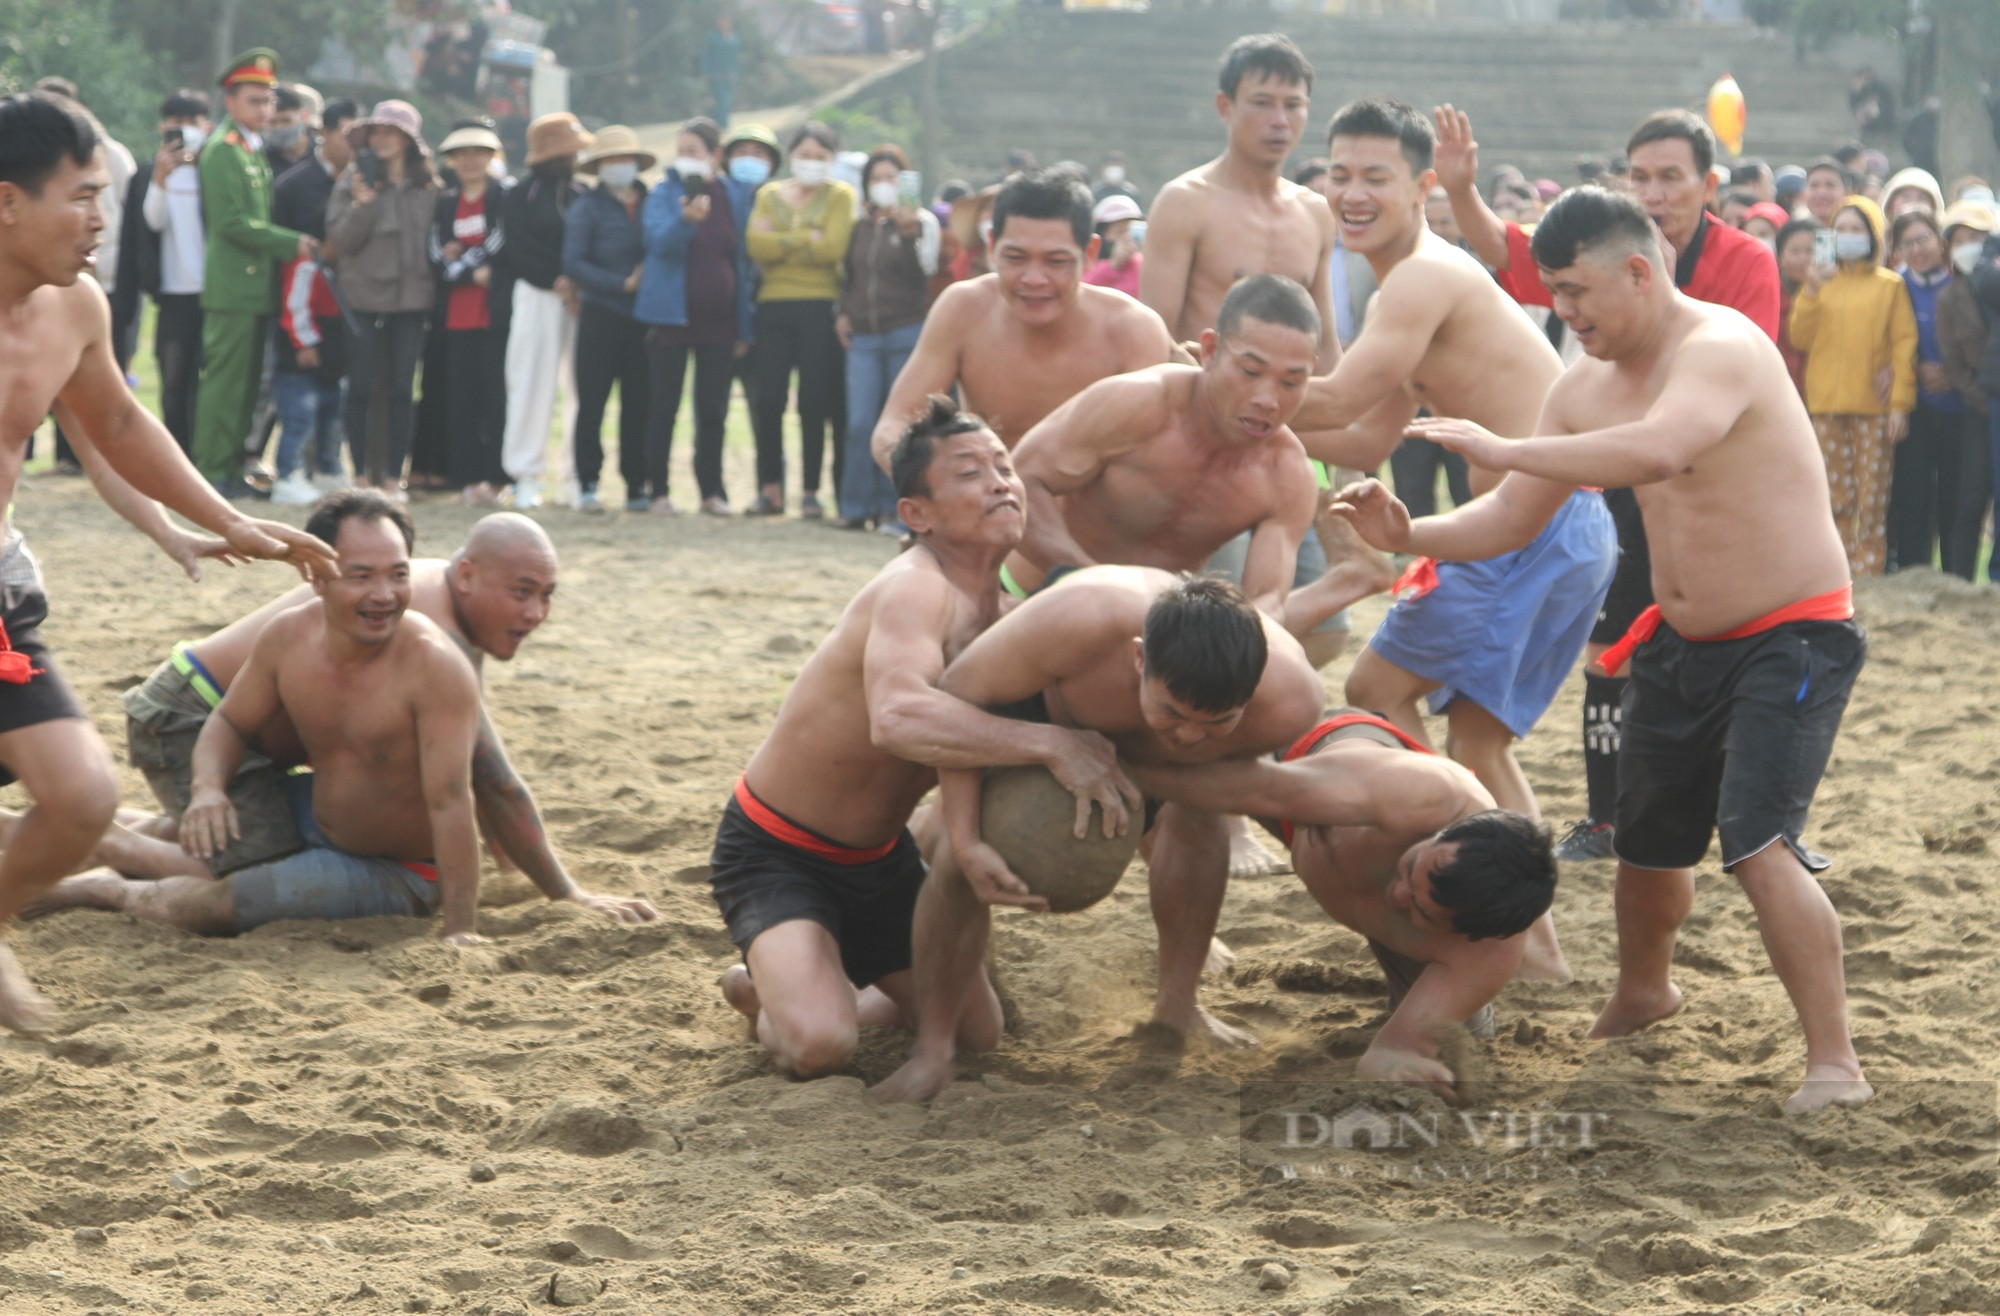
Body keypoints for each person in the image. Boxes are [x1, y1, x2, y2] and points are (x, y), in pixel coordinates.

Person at [1335, 186, 1871, 1116]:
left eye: (1578, 293)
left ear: (1638, 270)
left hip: (1794, 636)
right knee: (1647, 848)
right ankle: (1643, 989)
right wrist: (1409, 531)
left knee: (1756, 844)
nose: (1566, 315)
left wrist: (1506, 443)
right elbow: (1508, 515)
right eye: (1553, 296)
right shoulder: (1579, 385)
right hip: (1676, 639)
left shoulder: (1721, 346)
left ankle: (1835, 1062)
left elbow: (1662, 449)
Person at [0, 91, 334, 1032]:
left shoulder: (78, 308)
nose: (102, 219)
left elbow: (117, 424)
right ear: (6, 203)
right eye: (81, 197)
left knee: (80, 800)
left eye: (104, 195)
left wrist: (230, 522)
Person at [709, 398, 1139, 1079]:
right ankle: (782, 993)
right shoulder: (915, 587)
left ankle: (797, 983)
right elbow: (899, 718)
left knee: (978, 1032)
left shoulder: (1012, 616)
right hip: (777, 850)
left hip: (881, 863)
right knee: (822, 1047)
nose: (1000, 481)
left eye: (1004, 466)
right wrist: (1049, 744)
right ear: (918, 514)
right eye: (970, 473)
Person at [1283, 102, 1597, 978]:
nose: (1350, 192)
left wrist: (1228, 386)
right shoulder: (1413, 284)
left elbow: (1338, 401)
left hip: (1525, 529)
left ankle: (1465, 885)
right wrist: (1252, 417)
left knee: (1378, 686)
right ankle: (1533, 949)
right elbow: (1357, 439)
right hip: (1552, 527)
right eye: (1338, 173)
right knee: (1479, 742)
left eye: (1374, 176)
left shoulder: (1419, 277)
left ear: (1423, 186)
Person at [1433, 106, 1781, 866]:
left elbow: (1710, 405)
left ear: (1708, 184)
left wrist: (1529, 445)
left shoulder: (1743, 267)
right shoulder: (1594, 253)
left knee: (1725, 655)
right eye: (1641, 177)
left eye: (1671, 177)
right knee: (1610, 650)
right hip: (1618, 470)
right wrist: (1461, 188)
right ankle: (1606, 816)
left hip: (1711, 481)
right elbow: (1508, 250)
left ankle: (1750, 811)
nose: (1655, 193)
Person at [871, 568, 1325, 1101]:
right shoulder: (1075, 622)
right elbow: (957, 705)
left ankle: (1178, 1011)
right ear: (1139, 659)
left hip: (1158, 768)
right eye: (1171, 711)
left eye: (1218, 721)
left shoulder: (1291, 702)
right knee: (951, 859)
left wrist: (1152, 773)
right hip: (1038, 713)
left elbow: (1233, 795)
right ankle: (932, 1049)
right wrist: (968, 839)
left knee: (1200, 812)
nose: (1187, 734)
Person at [100, 506, 652, 925]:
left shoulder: (426, 635)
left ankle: (65, 833)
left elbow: (468, 785)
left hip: (264, 755)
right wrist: (565, 891)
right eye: (521, 593)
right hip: (186, 712)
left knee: (218, 842)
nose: (535, 614)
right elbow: (491, 781)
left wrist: (497, 897)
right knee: (235, 860)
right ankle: (97, 849)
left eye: (546, 595)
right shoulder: (330, 630)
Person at [31, 496, 482, 941]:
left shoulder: (436, 665)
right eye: (360, 576)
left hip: (397, 867)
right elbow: (229, 721)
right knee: (213, 834)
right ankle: (68, 836)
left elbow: (452, 800)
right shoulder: (289, 636)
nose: (384, 595)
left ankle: (104, 889)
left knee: (223, 904)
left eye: (398, 575)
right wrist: (208, 788)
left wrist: (461, 929)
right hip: (313, 816)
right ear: (317, 574)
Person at [1128, 716, 1557, 1097]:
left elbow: (1390, 1053)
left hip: (1338, 852)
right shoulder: (1414, 794)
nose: (1397, 896)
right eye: (1408, 869)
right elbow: (1260, 788)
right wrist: (1123, 767)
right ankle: (1179, 997)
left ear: (1466, 931)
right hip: (1305, 775)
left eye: (1420, 913)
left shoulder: (1487, 955)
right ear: (1442, 833)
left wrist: (1400, 1065)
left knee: (1458, 1043)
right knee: (1197, 790)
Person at [1008, 276, 1348, 624]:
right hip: (1034, 596)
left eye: (1291, 382)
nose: (1268, 399)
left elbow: (1268, 601)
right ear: (1210, 351)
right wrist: (1087, 584)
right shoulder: (1137, 403)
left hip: (1151, 634)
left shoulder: (1287, 473)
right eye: (1250, 371)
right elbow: (1020, 480)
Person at [867, 169, 1176, 474]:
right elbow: (893, 425)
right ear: (991, 247)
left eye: (1056, 261)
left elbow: (1155, 461)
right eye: (1015, 258)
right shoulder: (963, 308)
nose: (1034, 279)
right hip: (984, 511)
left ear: (1090, 254)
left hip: (1093, 520)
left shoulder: (1133, 329)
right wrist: (940, 486)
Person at [1139, 34, 1337, 371]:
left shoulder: (1315, 212)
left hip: (1290, 413)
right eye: (1262, 103)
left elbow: (1326, 345)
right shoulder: (1185, 202)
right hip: (1200, 405)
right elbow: (1154, 338)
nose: (1279, 120)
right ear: (1224, 106)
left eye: (1293, 105)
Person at [193, 49, 314, 497]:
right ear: (230, 101)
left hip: (252, 285)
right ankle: (210, 470)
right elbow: (230, 223)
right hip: (232, 287)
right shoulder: (224, 150)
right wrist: (291, 242)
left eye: (267, 101)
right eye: (253, 101)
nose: (263, 110)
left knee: (246, 388)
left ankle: (229, 467)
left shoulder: (248, 147)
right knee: (225, 385)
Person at [637, 120, 761, 517]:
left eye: (694, 150)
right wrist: (684, 220)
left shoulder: (732, 195)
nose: (686, 157)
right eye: (682, 150)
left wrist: (743, 323)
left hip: (719, 320)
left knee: (713, 409)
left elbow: (739, 258)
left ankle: (712, 491)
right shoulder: (663, 192)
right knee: (663, 406)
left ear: (714, 156)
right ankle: (658, 490)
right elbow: (656, 243)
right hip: (671, 316)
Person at [1788, 195, 1915, 578]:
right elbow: (1799, 337)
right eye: (1840, 229)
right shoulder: (1817, 283)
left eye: (1856, 229)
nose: (1847, 236)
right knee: (1834, 497)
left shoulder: (1889, 285)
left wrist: (1899, 405)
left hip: (1873, 409)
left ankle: (1870, 572)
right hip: (1826, 405)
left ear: (1874, 235)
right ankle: (1839, 571)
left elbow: (1903, 347)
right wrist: (1810, 291)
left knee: (1872, 497)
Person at [325, 100, 439, 497]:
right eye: (377, 131)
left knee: (400, 390)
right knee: (359, 387)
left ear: (409, 140)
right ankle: (360, 474)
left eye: (392, 131)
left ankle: (393, 475)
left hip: (411, 301)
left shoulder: (428, 185)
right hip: (361, 299)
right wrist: (363, 206)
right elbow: (340, 241)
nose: (383, 138)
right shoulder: (352, 180)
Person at [744, 121, 854, 518]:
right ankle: (769, 488)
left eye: (820, 157)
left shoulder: (840, 195)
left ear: (832, 160)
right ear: (791, 157)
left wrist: (782, 241)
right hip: (772, 305)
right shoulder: (770, 193)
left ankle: (810, 492)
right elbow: (756, 245)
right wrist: (809, 237)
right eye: (805, 155)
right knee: (769, 399)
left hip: (819, 306)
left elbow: (836, 248)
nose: (811, 163)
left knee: (814, 401)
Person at [834, 145, 939, 532]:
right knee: (860, 422)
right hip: (862, 337)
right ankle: (853, 506)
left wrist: (909, 233)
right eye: (876, 179)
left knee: (900, 425)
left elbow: (924, 275)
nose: (883, 185)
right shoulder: (859, 226)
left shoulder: (923, 222)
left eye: (891, 178)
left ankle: (894, 510)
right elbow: (849, 275)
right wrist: (842, 312)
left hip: (905, 332)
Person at [267, 97, 358, 505]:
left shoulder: (365, 184)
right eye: (347, 136)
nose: (356, 146)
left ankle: (327, 468)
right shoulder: (293, 186)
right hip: (299, 315)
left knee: (332, 403)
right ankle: (288, 471)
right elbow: (286, 266)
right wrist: (301, 337)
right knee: (298, 408)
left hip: (342, 312)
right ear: (324, 132)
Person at [498, 113, 591, 511]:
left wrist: (577, 282)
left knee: (581, 389)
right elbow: (516, 249)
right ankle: (526, 474)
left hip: (582, 297)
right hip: (537, 295)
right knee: (531, 383)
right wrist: (558, 279)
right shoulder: (520, 195)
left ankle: (575, 474)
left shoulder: (582, 193)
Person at [563, 125, 655, 515]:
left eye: (624, 159)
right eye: (611, 160)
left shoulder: (654, 201)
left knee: (640, 403)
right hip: (601, 313)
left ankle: (637, 484)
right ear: (599, 166)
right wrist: (620, 283)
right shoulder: (587, 207)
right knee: (593, 402)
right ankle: (587, 483)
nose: (618, 166)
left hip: (645, 319)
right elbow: (573, 261)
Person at [430, 120, 511, 507]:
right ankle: (466, 480)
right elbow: (435, 252)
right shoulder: (445, 202)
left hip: (493, 318)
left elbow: (499, 242)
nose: (470, 161)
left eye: (478, 154)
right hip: (456, 318)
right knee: (460, 401)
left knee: (495, 400)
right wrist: (466, 269)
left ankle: (496, 479)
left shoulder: (502, 198)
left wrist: (460, 258)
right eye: (462, 155)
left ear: (491, 157)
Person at [1886, 210, 1966, 573]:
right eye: (1907, 243)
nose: (1917, 249)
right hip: (1914, 408)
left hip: (1960, 406)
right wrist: (1915, 368)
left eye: (1923, 239)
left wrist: (1954, 373)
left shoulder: (1961, 283)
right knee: (1914, 497)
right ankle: (1912, 573)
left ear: (1940, 240)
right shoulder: (1894, 286)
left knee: (1955, 497)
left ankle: (1953, 575)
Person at [139, 90, 212, 456]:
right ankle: (175, 453)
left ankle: (207, 452)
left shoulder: (215, 168)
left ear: (207, 127)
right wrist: (160, 177)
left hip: (214, 293)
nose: (184, 131)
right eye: (176, 123)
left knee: (210, 380)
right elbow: (153, 221)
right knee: (174, 380)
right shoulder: (153, 174)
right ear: (163, 127)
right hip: (173, 294)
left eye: (192, 123)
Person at [1937, 201, 1994, 580]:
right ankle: (1959, 579)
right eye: (1960, 239)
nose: (1969, 245)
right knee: (1970, 499)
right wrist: (1983, 400)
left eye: (1977, 237)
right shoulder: (1950, 297)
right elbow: (1954, 364)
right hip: (1978, 409)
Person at [1774, 217, 1818, 399]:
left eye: (1811, 251)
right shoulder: (1772, 295)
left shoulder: (1831, 294)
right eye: (1795, 251)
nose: (1803, 259)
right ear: (1781, 256)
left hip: (1820, 394)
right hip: (1782, 392)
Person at [1081, 193, 1144, 299]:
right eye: (1119, 232)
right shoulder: (1086, 264)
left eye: (1130, 231)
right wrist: (1113, 264)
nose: (1126, 238)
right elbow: (1081, 293)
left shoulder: (1141, 266)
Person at [701, 15, 742, 128]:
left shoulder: (734, 38)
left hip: (729, 76)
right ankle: (721, 125)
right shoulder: (712, 37)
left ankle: (721, 124)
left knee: (726, 101)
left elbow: (735, 57)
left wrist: (736, 72)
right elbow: (706, 56)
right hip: (715, 76)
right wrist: (705, 72)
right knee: (721, 101)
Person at [1801, 158, 1848, 226]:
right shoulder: (1794, 233)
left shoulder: (1856, 233)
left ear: (1847, 193)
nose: (1821, 193)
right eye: (1814, 185)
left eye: (1830, 185)